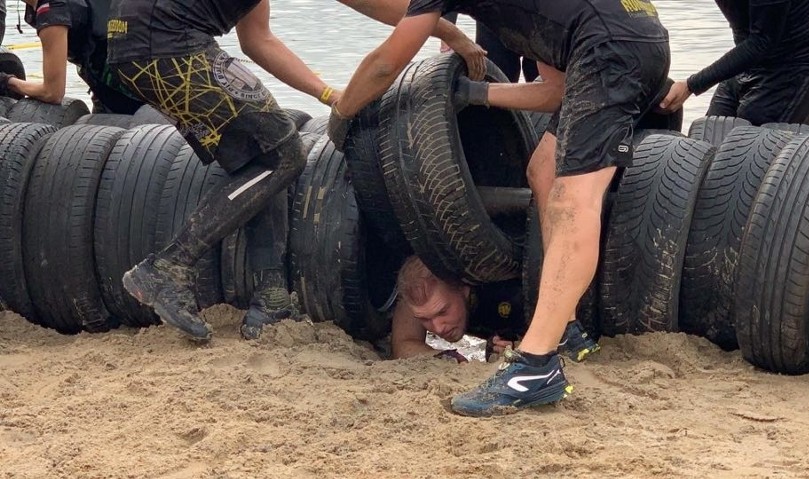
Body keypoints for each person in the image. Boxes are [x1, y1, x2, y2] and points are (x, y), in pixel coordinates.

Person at [328, 0, 669, 416]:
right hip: (636, 36)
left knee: (571, 199)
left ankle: (536, 367)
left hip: (611, 48)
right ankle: (566, 327)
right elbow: (555, 92)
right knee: (544, 170)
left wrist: (341, 112)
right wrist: (476, 94)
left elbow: (386, 64)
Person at [107, 0, 487, 342]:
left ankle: (269, 301)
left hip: (132, 41)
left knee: (263, 152)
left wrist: (328, 95)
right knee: (284, 154)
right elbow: (382, 7)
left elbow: (258, 40)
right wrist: (452, 32)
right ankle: (169, 266)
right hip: (168, 42)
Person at [659, 0, 809, 126]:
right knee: (710, 131)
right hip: (752, 52)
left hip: (803, 60)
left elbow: (763, 42)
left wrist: (692, 85)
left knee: (751, 150)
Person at [391, 256, 599, 363]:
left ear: (463, 288)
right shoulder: (419, 292)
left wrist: (524, 345)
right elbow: (404, 343)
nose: (437, 327)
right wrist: (444, 357)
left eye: (443, 312)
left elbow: (573, 333)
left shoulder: (506, 290)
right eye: (424, 319)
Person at [3, 0, 145, 113]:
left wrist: (7, 81)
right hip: (142, 67)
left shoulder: (52, 11)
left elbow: (52, 93)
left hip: (128, 91)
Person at [440, 12, 537, 84]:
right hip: (494, 21)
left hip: (542, 21)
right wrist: (447, 40)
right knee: (494, 96)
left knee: (544, 95)